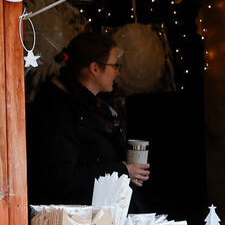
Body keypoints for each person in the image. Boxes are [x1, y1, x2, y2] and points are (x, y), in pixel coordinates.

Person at [27, 32, 150, 205]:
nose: (118, 72)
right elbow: (64, 178)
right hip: (77, 223)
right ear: (94, 68)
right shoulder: (58, 110)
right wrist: (122, 170)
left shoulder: (97, 106)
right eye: (114, 66)